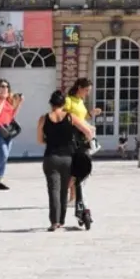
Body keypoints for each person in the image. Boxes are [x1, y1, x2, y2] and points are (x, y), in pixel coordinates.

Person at [37, 90, 95, 231]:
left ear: (51, 104)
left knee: (53, 190)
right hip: (68, 158)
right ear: (63, 104)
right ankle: (61, 220)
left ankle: (54, 222)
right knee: (64, 190)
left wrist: (50, 140)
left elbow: (39, 140)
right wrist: (83, 144)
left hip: (50, 158)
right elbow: (88, 132)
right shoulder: (70, 117)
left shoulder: (44, 118)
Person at [64, 79, 102, 207]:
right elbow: (64, 117)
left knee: (78, 168)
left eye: (89, 91)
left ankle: (72, 197)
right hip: (73, 137)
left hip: (83, 137)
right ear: (79, 88)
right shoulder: (68, 100)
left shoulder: (80, 101)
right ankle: (66, 194)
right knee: (76, 168)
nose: (87, 93)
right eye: (86, 90)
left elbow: (83, 117)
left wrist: (91, 114)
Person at [0, 79, 23, 190]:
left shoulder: (9, 100)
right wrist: (2, 100)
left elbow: (12, 115)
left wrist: (19, 103)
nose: (4, 88)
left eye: (6, 86)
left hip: (8, 130)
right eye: (2, 86)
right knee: (4, 154)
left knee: (5, 157)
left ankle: (0, 181)